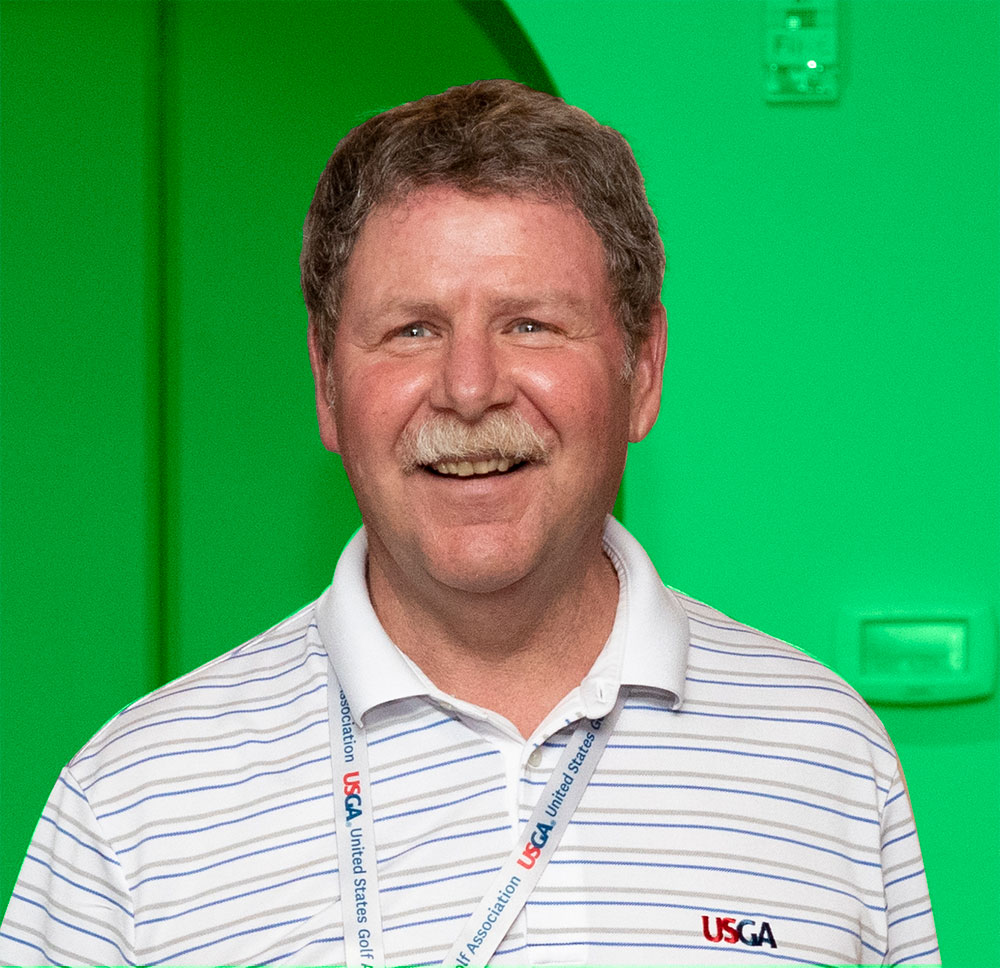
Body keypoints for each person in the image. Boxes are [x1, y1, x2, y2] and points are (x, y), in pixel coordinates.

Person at [0, 79, 938, 967]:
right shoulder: (133, 801)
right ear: (326, 382)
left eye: (530, 324)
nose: (470, 387)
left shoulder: (826, 755)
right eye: (412, 329)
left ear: (643, 369)